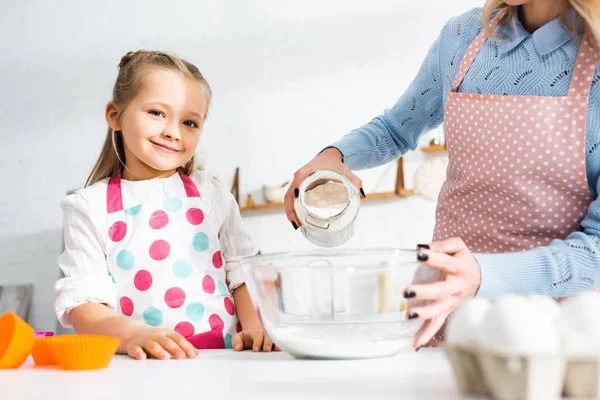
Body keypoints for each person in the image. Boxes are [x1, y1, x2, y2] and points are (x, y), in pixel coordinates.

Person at [285, 0, 600, 348]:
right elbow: (396, 128)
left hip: (557, 335)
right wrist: (333, 156)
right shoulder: (463, 37)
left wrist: (482, 274)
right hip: (446, 315)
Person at [55, 50, 276, 360]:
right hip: (143, 367)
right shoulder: (89, 207)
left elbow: (245, 271)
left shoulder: (211, 194)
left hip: (226, 361)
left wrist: (255, 327)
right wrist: (133, 334)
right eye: (157, 113)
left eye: (189, 122)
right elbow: (84, 306)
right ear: (114, 115)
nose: (173, 132)